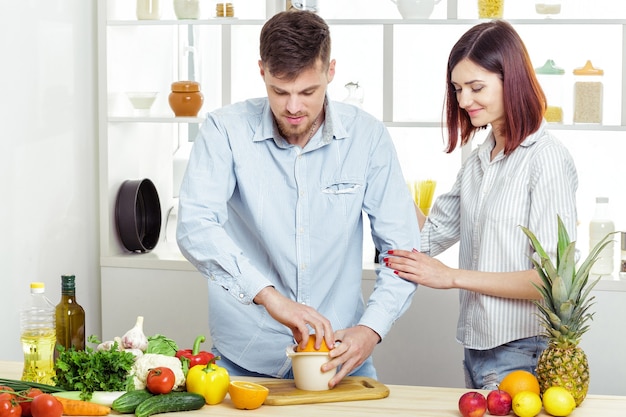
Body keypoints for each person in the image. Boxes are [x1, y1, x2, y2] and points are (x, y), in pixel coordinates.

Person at [176, 10, 419, 388]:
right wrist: (269, 296)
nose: (293, 107)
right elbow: (195, 226)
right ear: (262, 71)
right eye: (280, 91)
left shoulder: (368, 138)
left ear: (330, 71)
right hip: (246, 357)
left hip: (339, 359)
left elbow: (402, 252)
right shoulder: (224, 130)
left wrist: (370, 330)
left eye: (308, 92)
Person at [384, 20, 578, 390]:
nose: (463, 101)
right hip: (477, 350)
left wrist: (452, 277)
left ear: (512, 80)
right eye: (457, 89)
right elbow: (426, 236)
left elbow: (554, 281)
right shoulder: (479, 159)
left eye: (476, 87)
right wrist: (383, 178)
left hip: (523, 350)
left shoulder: (546, 159)